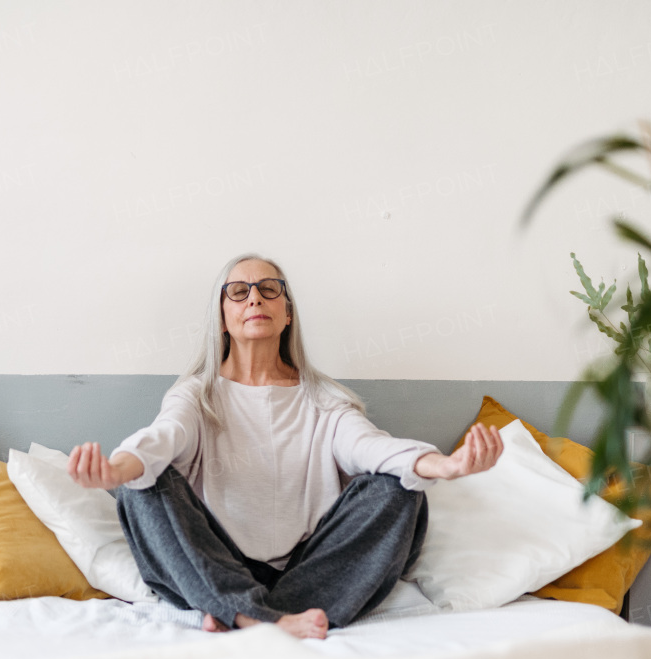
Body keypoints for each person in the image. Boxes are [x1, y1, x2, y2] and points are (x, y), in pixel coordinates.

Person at [68, 253, 502, 639]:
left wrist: (444, 466)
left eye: (268, 289)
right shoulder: (197, 395)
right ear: (222, 317)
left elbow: (371, 447)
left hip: (312, 568)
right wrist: (118, 469)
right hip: (218, 562)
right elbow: (162, 438)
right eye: (238, 292)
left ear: (288, 312)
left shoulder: (324, 398)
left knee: (398, 488)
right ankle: (251, 613)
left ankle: (241, 613)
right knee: (142, 485)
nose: (254, 299)